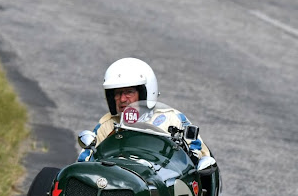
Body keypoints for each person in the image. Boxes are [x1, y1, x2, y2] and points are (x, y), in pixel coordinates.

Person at [78, 57, 210, 161]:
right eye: (117, 93)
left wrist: (193, 156)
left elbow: (198, 152)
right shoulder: (107, 124)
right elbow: (85, 159)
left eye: (129, 92)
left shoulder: (172, 118)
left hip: (160, 183)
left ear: (145, 92)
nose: (122, 99)